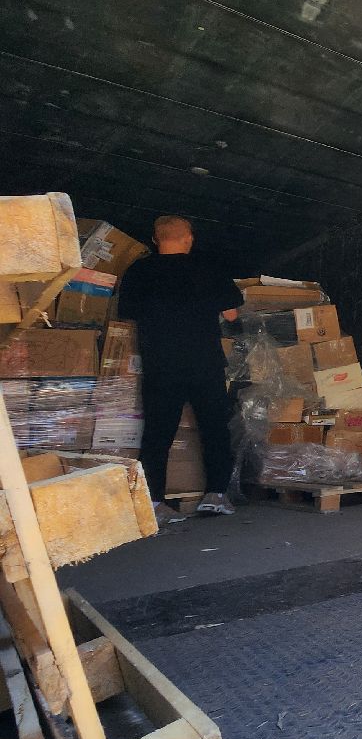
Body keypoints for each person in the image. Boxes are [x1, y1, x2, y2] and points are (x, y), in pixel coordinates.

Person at [116, 216, 242, 517]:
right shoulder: (208, 268)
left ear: (155, 239)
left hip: (160, 365)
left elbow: (127, 315)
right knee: (214, 428)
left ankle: (155, 503)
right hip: (205, 363)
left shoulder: (138, 271)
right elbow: (233, 315)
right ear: (189, 238)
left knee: (158, 434)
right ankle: (216, 494)